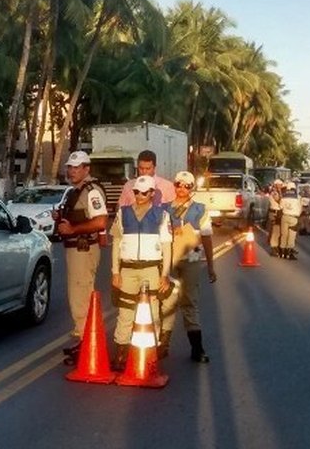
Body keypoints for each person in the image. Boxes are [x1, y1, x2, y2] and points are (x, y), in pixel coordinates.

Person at [109, 175, 172, 371]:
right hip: (128, 269)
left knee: (152, 312)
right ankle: (121, 353)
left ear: (152, 193)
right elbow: (117, 243)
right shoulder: (123, 213)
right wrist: (115, 271)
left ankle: (150, 352)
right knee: (125, 312)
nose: (139, 196)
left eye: (144, 192)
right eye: (136, 192)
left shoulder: (162, 215)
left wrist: (165, 274)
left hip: (151, 269)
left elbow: (167, 246)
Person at [53, 150, 109, 365]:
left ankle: (88, 344)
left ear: (87, 169)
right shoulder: (74, 191)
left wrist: (73, 229)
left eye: (77, 167)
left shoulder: (91, 191)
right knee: (77, 295)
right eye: (70, 167)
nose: (72, 171)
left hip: (83, 249)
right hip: (75, 249)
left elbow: (100, 222)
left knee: (81, 296)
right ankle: (85, 341)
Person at [159, 171, 216, 363]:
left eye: (187, 186)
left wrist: (210, 266)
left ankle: (197, 349)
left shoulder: (200, 209)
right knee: (166, 303)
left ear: (192, 188)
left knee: (190, 302)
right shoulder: (164, 209)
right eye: (178, 184)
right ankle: (162, 345)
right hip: (169, 262)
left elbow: (207, 238)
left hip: (191, 261)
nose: (182, 189)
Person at [279, 181, 302, 260]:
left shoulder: (283, 196)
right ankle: (289, 253)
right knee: (291, 236)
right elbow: (300, 208)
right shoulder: (298, 197)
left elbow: (280, 207)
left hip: (284, 217)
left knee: (283, 235)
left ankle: (282, 252)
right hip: (294, 218)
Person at [267, 179, 284, 256]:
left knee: (276, 230)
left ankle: (275, 245)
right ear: (277, 185)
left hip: (277, 212)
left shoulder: (275, 192)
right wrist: (280, 192)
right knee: (275, 230)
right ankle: (274, 247)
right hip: (274, 213)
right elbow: (279, 200)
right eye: (280, 185)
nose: (281, 186)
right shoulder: (274, 192)